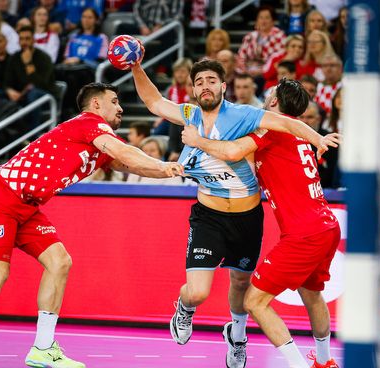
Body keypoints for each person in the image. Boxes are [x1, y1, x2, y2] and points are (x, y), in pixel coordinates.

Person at [0, 82, 185, 368]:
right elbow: (126, 154)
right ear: (96, 105)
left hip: (27, 205)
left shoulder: (99, 145)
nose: (121, 107)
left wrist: (172, 170)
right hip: (0, 194)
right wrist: (163, 166)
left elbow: (134, 166)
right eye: (114, 101)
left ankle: (43, 348)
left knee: (60, 262)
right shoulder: (89, 124)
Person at [131, 58, 338, 368]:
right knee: (202, 293)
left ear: (223, 86)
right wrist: (136, 66)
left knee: (244, 288)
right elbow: (154, 101)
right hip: (213, 215)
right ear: (193, 88)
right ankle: (186, 310)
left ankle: (238, 338)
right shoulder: (190, 114)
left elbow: (267, 132)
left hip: (250, 218)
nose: (205, 85)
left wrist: (197, 141)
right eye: (199, 81)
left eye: (211, 80)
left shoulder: (248, 118)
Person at [181, 79, 341, 368]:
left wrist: (197, 141)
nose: (265, 98)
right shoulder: (300, 133)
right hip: (326, 226)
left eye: (270, 95)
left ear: (276, 103)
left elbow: (232, 152)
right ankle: (325, 361)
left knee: (254, 302)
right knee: (312, 293)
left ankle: (299, 366)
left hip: (303, 233)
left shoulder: (270, 128)